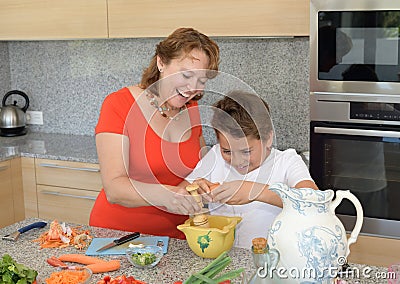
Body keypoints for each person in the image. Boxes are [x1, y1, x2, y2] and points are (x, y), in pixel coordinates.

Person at [89, 27, 220, 239]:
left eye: (201, 80)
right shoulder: (119, 105)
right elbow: (114, 188)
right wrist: (166, 195)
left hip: (178, 238)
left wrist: (200, 184)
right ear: (161, 62)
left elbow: (197, 169)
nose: (192, 88)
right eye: (186, 74)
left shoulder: (192, 109)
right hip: (119, 235)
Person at [182, 90, 318, 248]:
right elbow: (179, 193)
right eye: (227, 151)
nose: (237, 160)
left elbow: (313, 202)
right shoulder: (214, 157)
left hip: (272, 259)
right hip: (223, 257)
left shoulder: (287, 161)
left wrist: (254, 191)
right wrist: (196, 193)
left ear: (268, 138)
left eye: (246, 151)